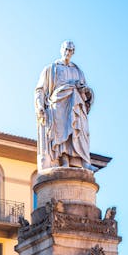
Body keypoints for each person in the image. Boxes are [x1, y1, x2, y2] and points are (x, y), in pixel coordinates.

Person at [35, 40, 94, 171]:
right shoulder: (51, 69)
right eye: (66, 49)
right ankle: (64, 160)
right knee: (61, 134)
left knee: (78, 131)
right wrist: (39, 106)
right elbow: (40, 89)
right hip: (59, 104)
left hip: (76, 103)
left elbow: (86, 92)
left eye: (71, 50)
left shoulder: (78, 71)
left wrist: (86, 90)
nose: (68, 52)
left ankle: (83, 161)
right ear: (61, 50)